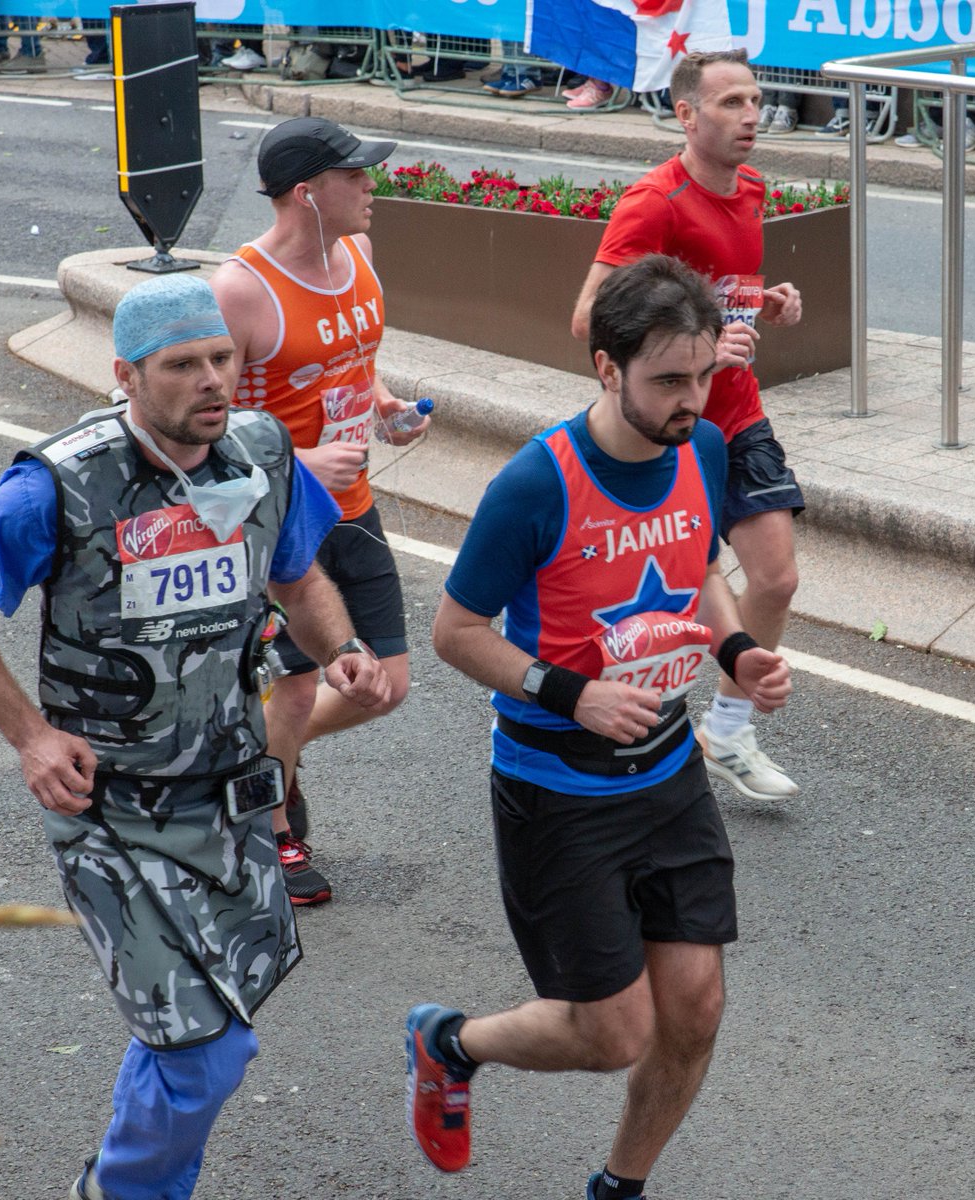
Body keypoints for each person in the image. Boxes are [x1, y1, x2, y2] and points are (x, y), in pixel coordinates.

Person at [0, 274, 392, 1200]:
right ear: (127, 375)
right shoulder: (60, 483)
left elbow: (297, 575)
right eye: (183, 365)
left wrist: (343, 649)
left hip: (228, 799)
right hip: (110, 812)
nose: (212, 380)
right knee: (208, 1053)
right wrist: (29, 736)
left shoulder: (261, 453)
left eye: (223, 358)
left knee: (197, 1026)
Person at [406, 254, 792, 1199]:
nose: (691, 400)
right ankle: (447, 1042)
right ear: (606, 368)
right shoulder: (536, 484)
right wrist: (568, 691)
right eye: (668, 380)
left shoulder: (700, 449)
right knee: (613, 1034)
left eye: (703, 377)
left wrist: (736, 650)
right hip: (557, 789)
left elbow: (697, 565)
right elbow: (455, 633)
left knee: (694, 1012)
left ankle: (619, 1189)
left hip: (668, 774)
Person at [571, 48, 804, 803]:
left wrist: (758, 302)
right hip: (672, 426)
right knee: (661, 596)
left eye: (756, 100)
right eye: (732, 102)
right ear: (686, 114)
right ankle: (611, 720)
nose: (751, 116)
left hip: (739, 413)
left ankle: (728, 731)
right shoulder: (654, 203)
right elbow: (590, 321)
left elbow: (716, 290)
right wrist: (698, 346)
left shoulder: (754, 189)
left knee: (776, 577)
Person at [213, 117, 425, 905]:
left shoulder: (359, 255)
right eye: (358, 176)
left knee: (387, 684)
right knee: (300, 687)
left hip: (354, 506)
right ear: (309, 193)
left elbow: (349, 362)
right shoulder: (242, 289)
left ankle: (261, 757)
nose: (373, 186)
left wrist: (384, 404)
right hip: (274, 518)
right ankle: (272, 823)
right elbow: (204, 422)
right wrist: (297, 460)